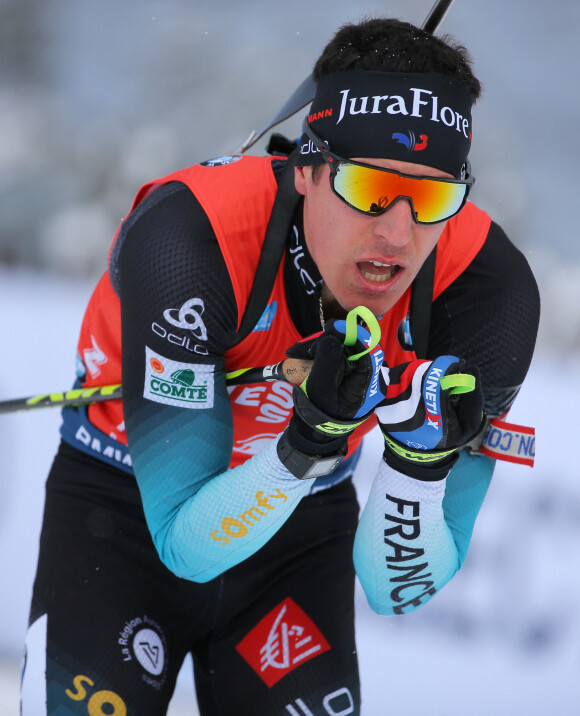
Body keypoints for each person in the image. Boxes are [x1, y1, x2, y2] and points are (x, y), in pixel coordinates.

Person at [21, 17, 540, 716]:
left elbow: (397, 591)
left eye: (432, 196)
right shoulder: (190, 242)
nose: (397, 232)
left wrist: (422, 465)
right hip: (120, 517)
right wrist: (307, 442)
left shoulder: (487, 292)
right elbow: (184, 545)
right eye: (368, 187)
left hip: (298, 540)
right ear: (306, 167)